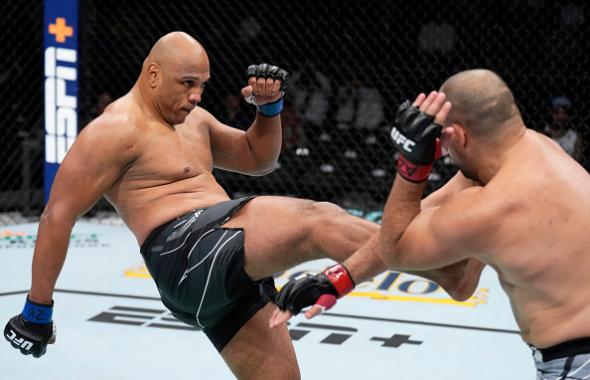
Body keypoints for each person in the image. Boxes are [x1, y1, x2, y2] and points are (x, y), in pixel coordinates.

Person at [2, 32, 472, 380]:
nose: (196, 96)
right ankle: (443, 269)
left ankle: (430, 233)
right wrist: (36, 312)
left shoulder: (194, 120)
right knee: (317, 219)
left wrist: (267, 113)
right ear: (152, 74)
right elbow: (58, 215)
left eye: (202, 86)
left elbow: (257, 158)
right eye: (187, 83)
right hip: (185, 251)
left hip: (217, 278)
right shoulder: (114, 130)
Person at [271, 69, 590, 380]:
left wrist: (413, 165)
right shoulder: (532, 149)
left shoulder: (497, 206)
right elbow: (448, 263)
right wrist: (339, 278)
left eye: (444, 140)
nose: (445, 153)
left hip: (576, 361)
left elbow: (397, 248)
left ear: (457, 136)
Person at [542, 95, 584, 164]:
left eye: (564, 113)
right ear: (551, 113)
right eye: (556, 112)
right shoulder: (542, 134)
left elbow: (576, 163)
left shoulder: (574, 138)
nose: (560, 116)